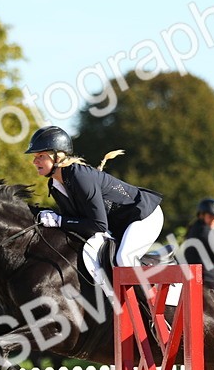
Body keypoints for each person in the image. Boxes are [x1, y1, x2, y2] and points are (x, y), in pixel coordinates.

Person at [25, 126, 164, 296]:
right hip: (120, 224)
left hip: (144, 216)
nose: (35, 161)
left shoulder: (79, 176)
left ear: (57, 156)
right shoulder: (55, 185)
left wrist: (59, 220)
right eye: (35, 157)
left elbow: (97, 225)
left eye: (40, 156)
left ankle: (153, 311)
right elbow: (78, 223)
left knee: (123, 259)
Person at [181, 198, 214, 281]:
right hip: (210, 277)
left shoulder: (192, 228)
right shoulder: (206, 231)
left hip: (193, 276)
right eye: (210, 216)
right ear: (201, 215)